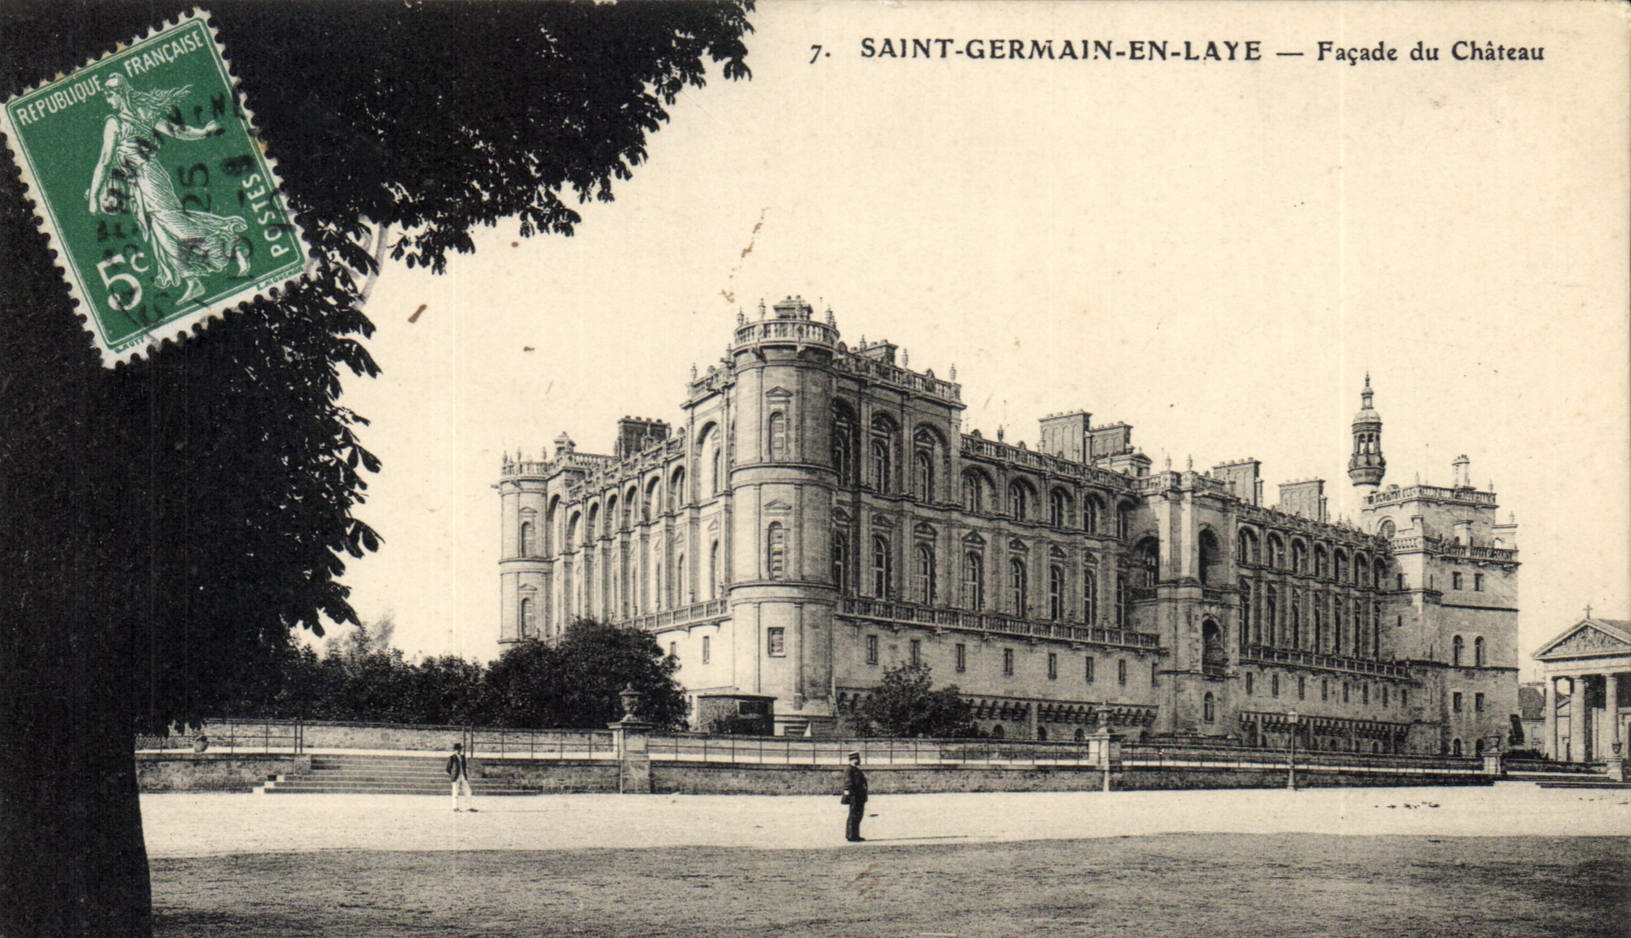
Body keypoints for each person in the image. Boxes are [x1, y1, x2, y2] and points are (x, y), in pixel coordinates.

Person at [86, 73, 250, 307]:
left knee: (175, 225)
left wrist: (202, 132)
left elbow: (173, 131)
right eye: (105, 93)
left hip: (150, 177)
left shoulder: (121, 120)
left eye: (110, 92)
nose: (107, 97)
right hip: (138, 185)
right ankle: (191, 280)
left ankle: (229, 244)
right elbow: (173, 131)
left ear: (121, 92)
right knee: (159, 231)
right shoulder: (131, 116)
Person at [841, 751, 868, 842]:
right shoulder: (849, 770)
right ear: (853, 760)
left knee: (858, 815)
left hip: (859, 796)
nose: (859, 760)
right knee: (853, 815)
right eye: (857, 759)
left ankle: (855, 835)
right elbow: (848, 782)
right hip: (854, 795)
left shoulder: (856, 769)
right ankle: (851, 835)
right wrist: (847, 793)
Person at [446, 742, 475, 812]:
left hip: (462, 776)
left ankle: (469, 807)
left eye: (460, 749)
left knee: (468, 791)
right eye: (457, 749)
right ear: (455, 750)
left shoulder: (463, 757)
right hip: (456, 776)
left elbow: (464, 767)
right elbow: (448, 768)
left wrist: (464, 774)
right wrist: (453, 774)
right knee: (455, 792)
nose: (459, 750)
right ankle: (455, 807)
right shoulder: (452, 757)